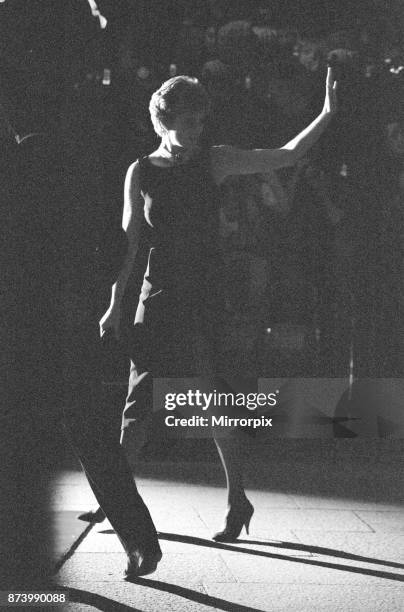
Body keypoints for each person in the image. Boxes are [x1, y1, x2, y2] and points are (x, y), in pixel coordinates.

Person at [80, 68, 337, 559]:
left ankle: (237, 498)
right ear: (162, 121)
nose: (196, 132)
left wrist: (325, 115)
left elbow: (285, 155)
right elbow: (129, 245)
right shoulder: (141, 171)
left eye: (201, 123)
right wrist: (115, 303)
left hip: (204, 300)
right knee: (138, 407)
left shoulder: (214, 163)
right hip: (156, 301)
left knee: (214, 401)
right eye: (187, 123)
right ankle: (114, 500)